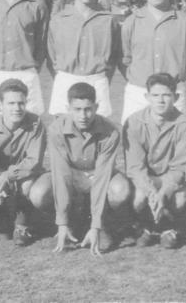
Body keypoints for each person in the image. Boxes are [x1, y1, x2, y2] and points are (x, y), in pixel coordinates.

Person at [47, 82, 131, 255]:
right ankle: (70, 220)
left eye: (88, 109)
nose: (83, 115)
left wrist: (96, 226)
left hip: (97, 174)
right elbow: (61, 174)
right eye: (77, 109)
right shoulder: (56, 129)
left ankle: (103, 222)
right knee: (41, 191)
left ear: (97, 107)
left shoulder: (110, 131)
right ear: (67, 108)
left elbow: (102, 177)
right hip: (72, 174)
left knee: (120, 190)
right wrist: (62, 223)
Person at [120, 0, 186, 124]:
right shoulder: (132, 22)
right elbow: (124, 58)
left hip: (172, 93)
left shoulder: (185, 22)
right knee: (134, 144)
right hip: (138, 92)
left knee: (174, 144)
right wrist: (136, 78)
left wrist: (178, 78)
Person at [123, 73, 186, 248]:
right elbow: (135, 167)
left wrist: (163, 192)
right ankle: (145, 226)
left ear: (176, 97)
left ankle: (169, 228)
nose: (160, 101)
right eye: (155, 95)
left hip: (171, 180)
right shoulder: (134, 122)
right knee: (139, 198)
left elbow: (180, 168)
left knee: (179, 200)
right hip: (146, 179)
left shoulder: (185, 125)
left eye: (166, 95)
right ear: (147, 97)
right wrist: (152, 193)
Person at [0, 79, 51, 246]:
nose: (17, 108)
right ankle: (1, 217)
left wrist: (7, 176)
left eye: (21, 103)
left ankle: (22, 224)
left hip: (24, 176)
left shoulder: (35, 123)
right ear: (0, 104)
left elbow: (33, 161)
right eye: (11, 103)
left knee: (27, 186)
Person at [47, 0, 120, 118]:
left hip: (97, 82)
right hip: (66, 81)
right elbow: (51, 56)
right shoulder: (58, 20)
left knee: (98, 136)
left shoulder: (108, 21)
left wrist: (101, 78)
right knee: (62, 135)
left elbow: (114, 58)